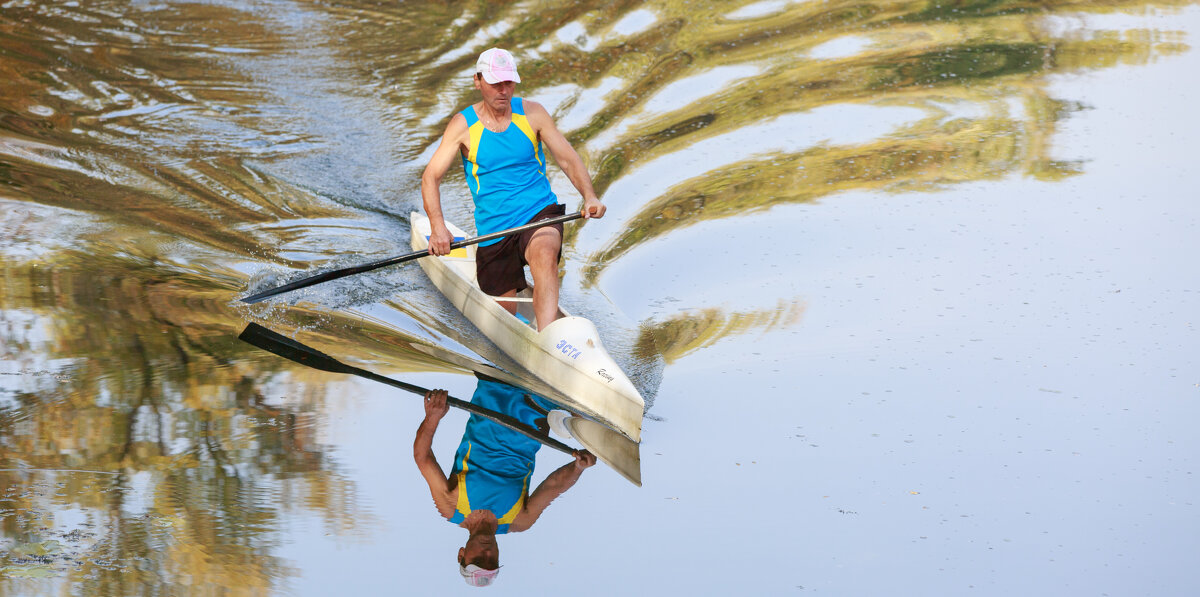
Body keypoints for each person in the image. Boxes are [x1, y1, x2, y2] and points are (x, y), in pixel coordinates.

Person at [420, 48, 606, 331]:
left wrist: (589, 196)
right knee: (504, 314)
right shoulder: (463, 126)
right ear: (478, 81)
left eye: (508, 83)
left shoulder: (533, 114)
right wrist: (438, 227)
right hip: (495, 230)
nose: (503, 90)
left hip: (539, 213)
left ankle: (549, 339)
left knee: (544, 253)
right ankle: (521, 307)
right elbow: (430, 177)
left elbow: (567, 158)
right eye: (495, 83)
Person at [414, 378, 596, 587]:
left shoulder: (450, 508)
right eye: (493, 561)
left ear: (461, 554)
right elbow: (553, 487)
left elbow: (423, 458)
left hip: (493, 387)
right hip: (537, 405)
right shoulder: (519, 521)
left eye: (479, 560)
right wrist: (578, 468)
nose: (488, 553)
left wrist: (433, 416)